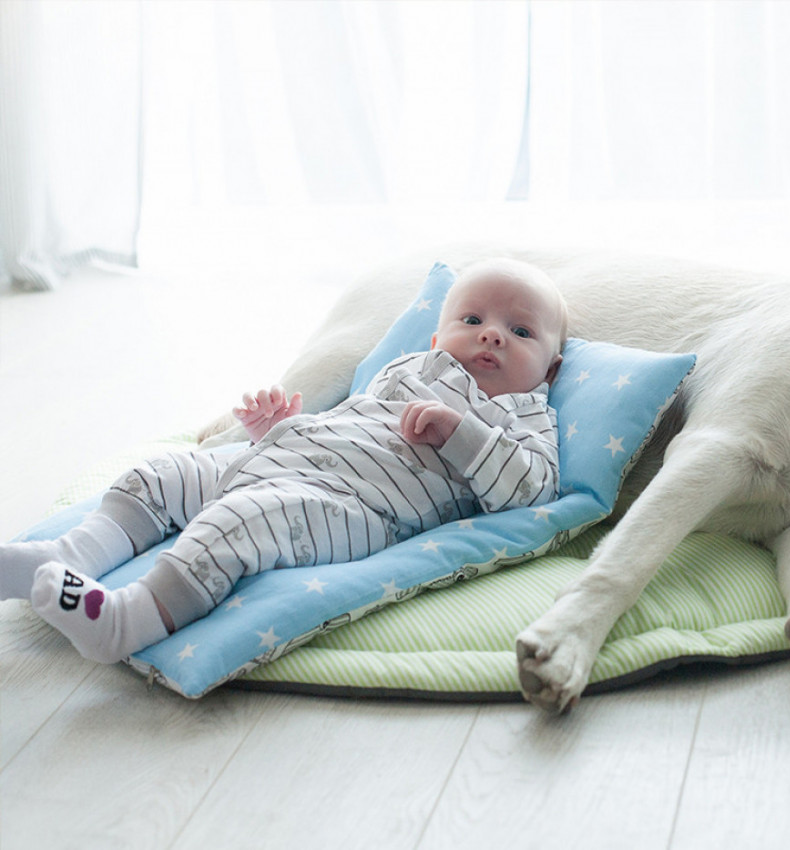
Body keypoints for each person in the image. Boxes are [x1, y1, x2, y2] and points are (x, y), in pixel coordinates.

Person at [0, 258, 568, 663]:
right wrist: (276, 430)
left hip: (349, 508)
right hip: (286, 457)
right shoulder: (411, 368)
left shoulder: (522, 413)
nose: (491, 336)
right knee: (165, 471)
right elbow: (348, 421)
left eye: (519, 331)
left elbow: (530, 490)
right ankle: (64, 555)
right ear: (439, 333)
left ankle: (128, 620)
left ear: (551, 367)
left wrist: (460, 433)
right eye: (472, 321)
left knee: (240, 522)